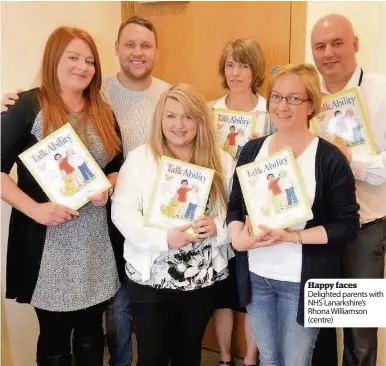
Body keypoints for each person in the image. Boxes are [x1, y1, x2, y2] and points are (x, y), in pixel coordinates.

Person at [1, 16, 170, 366]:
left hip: (95, 242)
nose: (83, 66)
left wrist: (107, 185)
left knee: (93, 331)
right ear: (54, 60)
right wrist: (36, 209)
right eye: (73, 58)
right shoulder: (28, 106)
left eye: (89, 60)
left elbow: (115, 165)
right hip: (49, 245)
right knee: (54, 336)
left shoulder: (102, 109)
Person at [226, 63, 360, 366]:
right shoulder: (251, 151)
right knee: (269, 358)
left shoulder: (329, 157)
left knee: (297, 361)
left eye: (294, 99)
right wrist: (237, 238)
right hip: (259, 277)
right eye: (276, 97)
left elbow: (347, 226)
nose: (282, 106)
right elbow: (235, 206)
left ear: (311, 104)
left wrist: (294, 236)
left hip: (303, 283)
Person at [111, 83, 234, 366]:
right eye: (171, 116)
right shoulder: (140, 159)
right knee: (152, 356)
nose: (179, 125)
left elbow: (235, 215)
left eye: (188, 116)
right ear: (160, 119)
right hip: (150, 281)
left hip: (201, 281)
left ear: (200, 120)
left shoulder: (222, 160)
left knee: (188, 354)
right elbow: (122, 213)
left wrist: (217, 227)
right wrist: (163, 239)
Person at [311, 13, 386, 366]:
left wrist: (346, 161)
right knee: (322, 326)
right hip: (318, 230)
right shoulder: (307, 96)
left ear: (355, 44)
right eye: (320, 46)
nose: (328, 53)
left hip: (364, 230)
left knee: (359, 331)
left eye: (337, 43)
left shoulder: (382, 92)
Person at [210, 37, 275, 366]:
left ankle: (250, 358)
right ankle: (223, 357)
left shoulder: (269, 113)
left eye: (244, 65)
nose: (235, 72)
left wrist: (259, 149)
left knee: (252, 293)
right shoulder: (210, 111)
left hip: (254, 213)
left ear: (255, 71)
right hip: (217, 210)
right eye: (230, 65)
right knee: (222, 292)